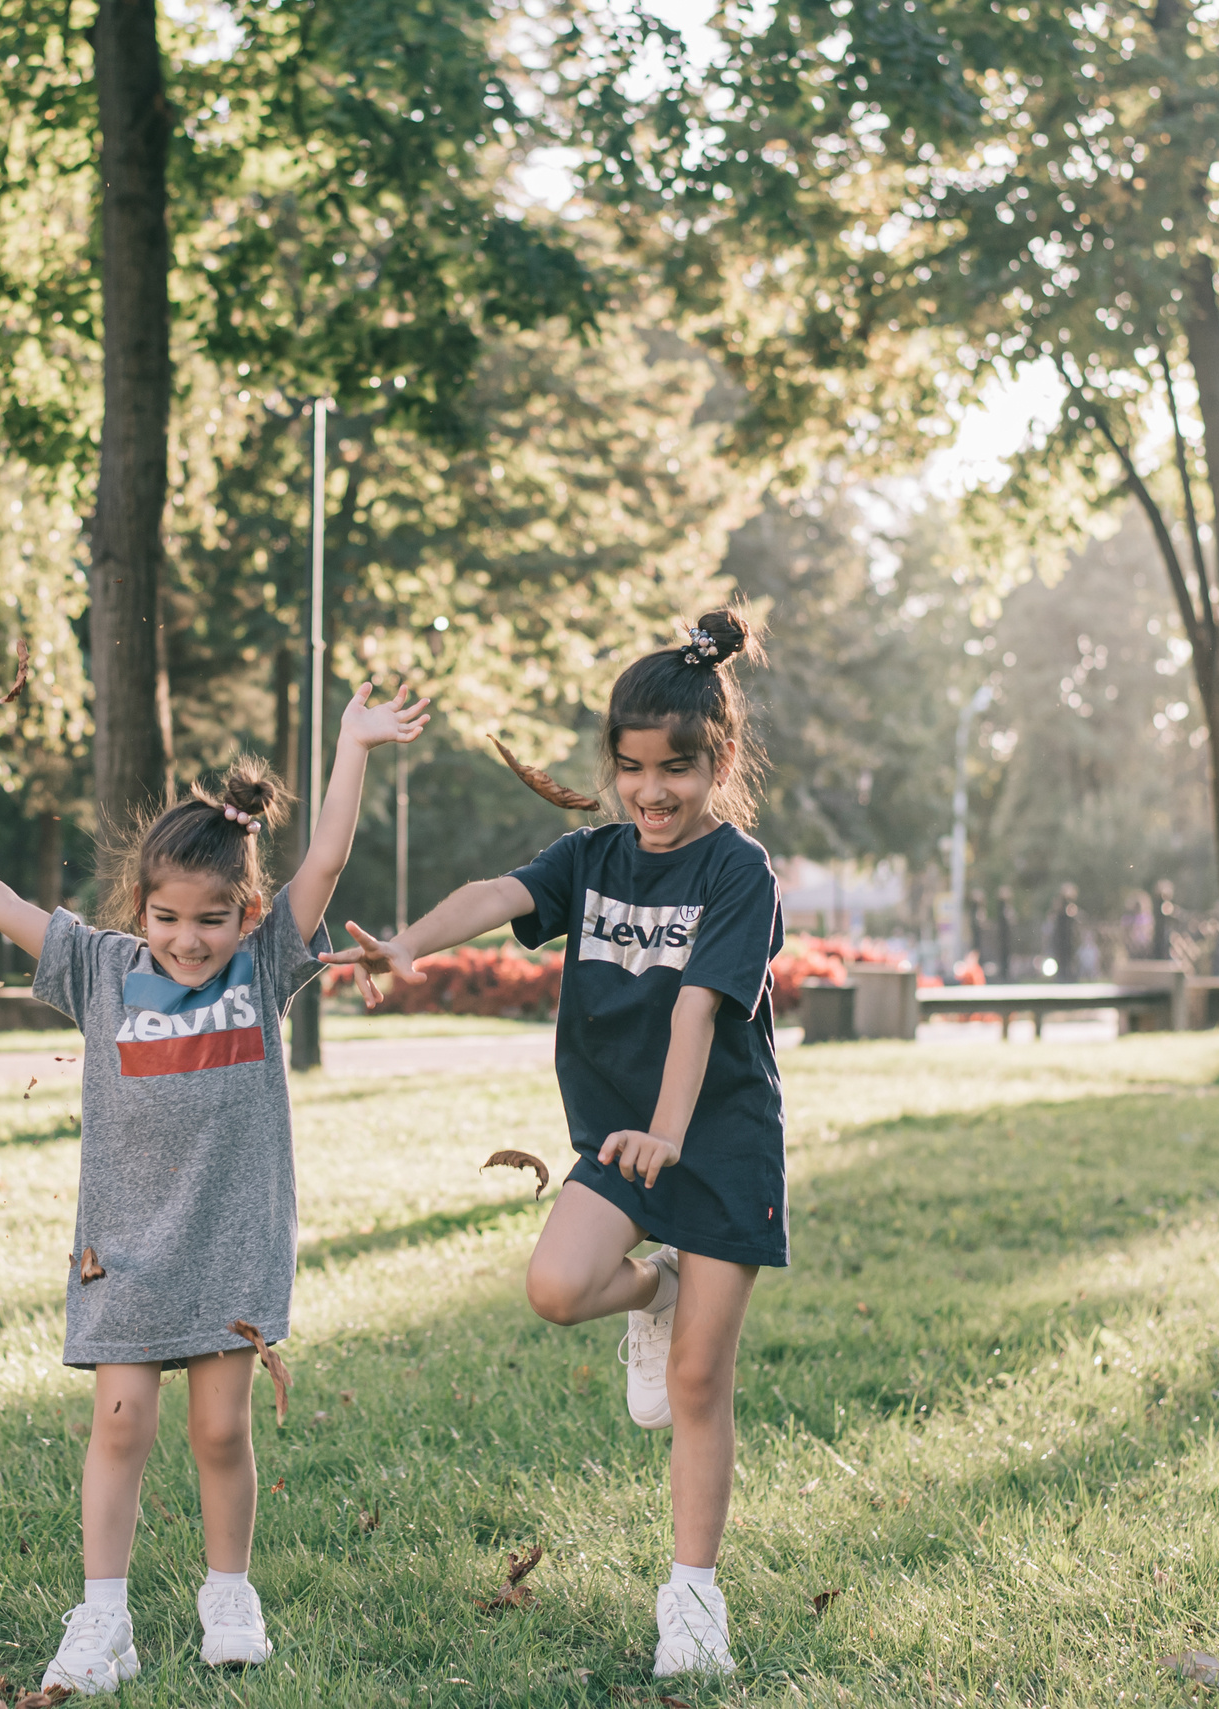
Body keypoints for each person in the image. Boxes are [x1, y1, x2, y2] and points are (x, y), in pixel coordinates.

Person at [0, 685, 429, 1694]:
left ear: (245, 911)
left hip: (231, 1237)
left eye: (211, 918)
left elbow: (322, 859)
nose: (188, 938)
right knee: (120, 1423)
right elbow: (3, 903)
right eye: (166, 916)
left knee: (222, 1428)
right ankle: (101, 1613)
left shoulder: (262, 963)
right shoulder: (102, 969)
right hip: (125, 1242)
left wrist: (352, 745)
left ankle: (227, 1590)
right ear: (137, 906)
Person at [321, 609, 785, 1681]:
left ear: (716, 761)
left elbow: (697, 1013)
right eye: (630, 769)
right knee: (557, 1284)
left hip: (714, 1143)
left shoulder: (736, 872)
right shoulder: (594, 854)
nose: (651, 791)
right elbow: (500, 893)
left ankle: (693, 1597)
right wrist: (407, 943)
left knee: (701, 1381)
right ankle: (650, 1290)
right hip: (622, 1142)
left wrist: (669, 1132)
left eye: (674, 768)